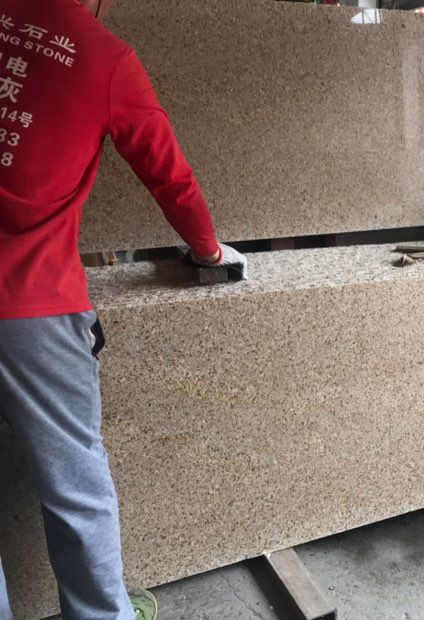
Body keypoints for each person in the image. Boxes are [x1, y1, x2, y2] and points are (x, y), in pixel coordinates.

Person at [0, 0, 247, 618]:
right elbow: (170, 177)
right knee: (75, 485)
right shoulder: (104, 59)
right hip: (31, 305)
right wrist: (210, 251)